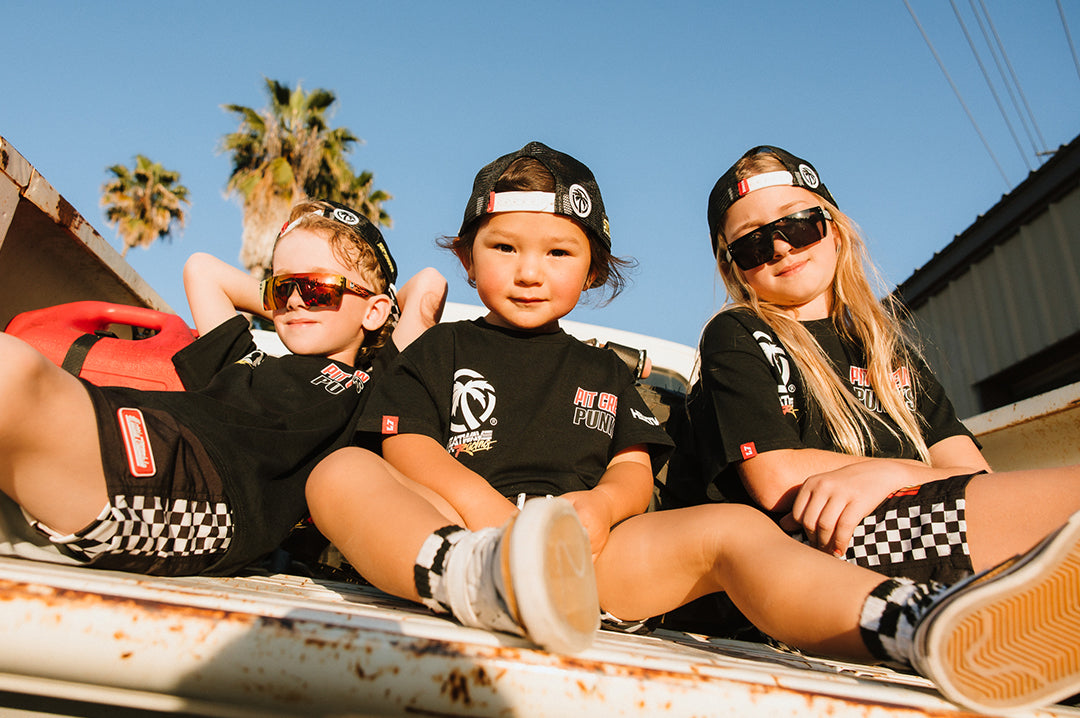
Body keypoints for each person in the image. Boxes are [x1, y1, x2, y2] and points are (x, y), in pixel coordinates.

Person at [305, 142, 1080, 714]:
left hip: (589, 564)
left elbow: (635, 472)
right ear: (468, 262)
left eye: (558, 252)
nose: (529, 270)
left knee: (733, 535)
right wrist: (493, 533)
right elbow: (407, 445)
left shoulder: (611, 370)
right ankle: (466, 576)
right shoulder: (442, 346)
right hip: (463, 542)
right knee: (339, 473)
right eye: (503, 248)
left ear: (595, 270)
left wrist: (595, 517)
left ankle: (921, 626)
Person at [664, 145, 1080, 585]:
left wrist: (884, 474)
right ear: (735, 270)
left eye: (798, 224)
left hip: (915, 531)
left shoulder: (887, 351)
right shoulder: (737, 333)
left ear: (835, 230)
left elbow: (975, 473)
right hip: (812, 553)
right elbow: (775, 477)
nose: (782, 248)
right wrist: (909, 476)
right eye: (753, 243)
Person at [0, 199, 446, 577]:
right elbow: (201, 270)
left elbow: (428, 285)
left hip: (202, 487)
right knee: (14, 364)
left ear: (375, 312)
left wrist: (367, 306)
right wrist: (308, 303)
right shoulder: (244, 362)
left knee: (12, 370)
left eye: (315, 288)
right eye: (282, 288)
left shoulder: (375, 384)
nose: (293, 300)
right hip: (138, 426)